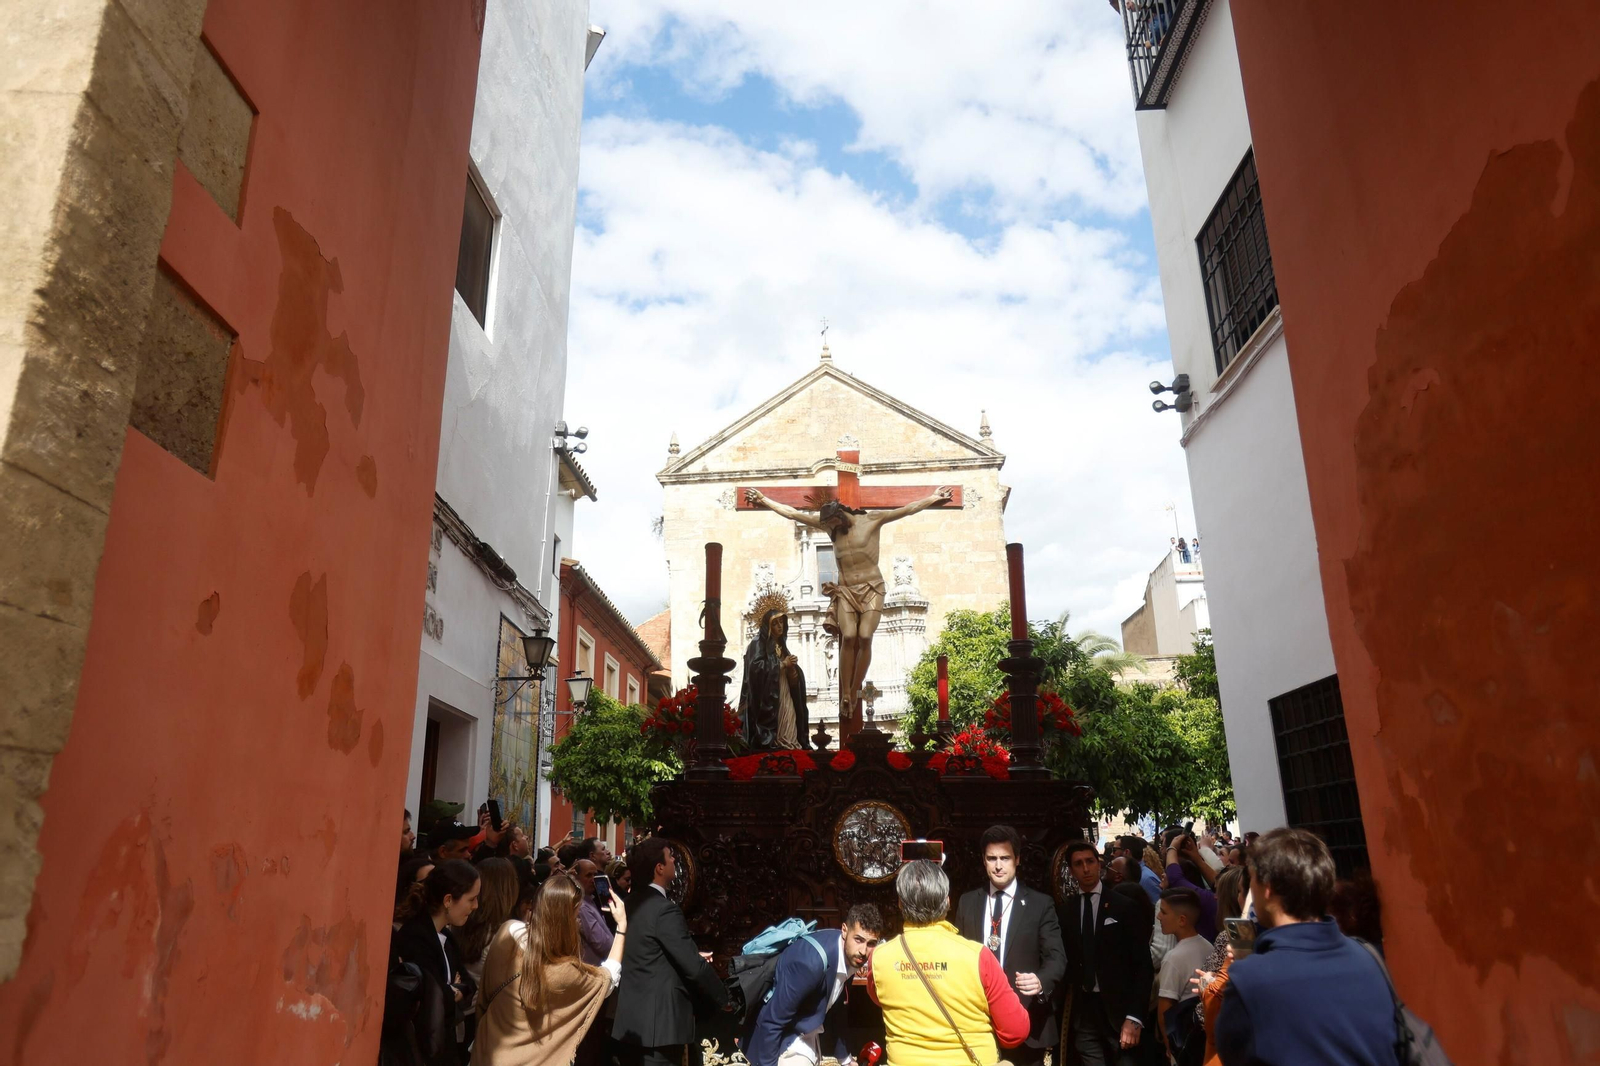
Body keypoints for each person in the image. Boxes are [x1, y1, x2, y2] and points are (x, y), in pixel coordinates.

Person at [745, 485, 952, 735]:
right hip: (845, 590)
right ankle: (845, 693)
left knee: (864, 636)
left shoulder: (872, 520)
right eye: (828, 526)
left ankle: (854, 690)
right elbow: (792, 514)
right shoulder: (829, 527)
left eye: (833, 524)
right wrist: (764, 499)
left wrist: (934, 497)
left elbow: (907, 509)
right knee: (849, 636)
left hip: (872, 588)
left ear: (841, 515)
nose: (830, 531)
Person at [1215, 829, 1402, 1066]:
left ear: (1267, 888)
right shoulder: (1368, 959)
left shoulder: (1249, 979)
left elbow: (1232, 1053)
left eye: (1252, 880)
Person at [868, 858, 1028, 1065]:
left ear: (900, 903)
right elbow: (1015, 1031)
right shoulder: (978, 956)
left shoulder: (879, 958)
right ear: (948, 901)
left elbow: (880, 998)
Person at [472, 872, 628, 1066]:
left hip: (487, 1054)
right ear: (565, 921)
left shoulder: (507, 932)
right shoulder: (565, 972)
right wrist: (622, 926)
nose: (579, 922)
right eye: (576, 915)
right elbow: (608, 979)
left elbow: (485, 996)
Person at [611, 837, 732, 1065]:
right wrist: (723, 998)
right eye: (670, 856)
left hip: (630, 1022)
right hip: (659, 1028)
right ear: (659, 868)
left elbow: (646, 950)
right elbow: (694, 968)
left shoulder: (627, 903)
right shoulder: (664, 910)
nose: (675, 860)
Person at [955, 825, 1066, 1066]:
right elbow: (957, 957)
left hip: (1026, 1020)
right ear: (983, 860)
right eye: (991, 858)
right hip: (977, 1022)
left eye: (1005, 858)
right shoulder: (968, 902)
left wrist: (1041, 981)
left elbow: (1056, 957)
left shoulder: (1040, 904)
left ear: (1017, 859)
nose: (998, 866)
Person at [745, 903, 886, 1066]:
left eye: (871, 943)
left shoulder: (849, 954)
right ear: (844, 930)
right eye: (859, 940)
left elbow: (838, 1006)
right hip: (783, 1042)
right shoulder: (811, 964)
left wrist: (845, 1059)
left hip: (807, 1034)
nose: (863, 951)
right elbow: (772, 1020)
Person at [1058, 840, 1153, 1066]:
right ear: (1071, 871)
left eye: (1090, 861)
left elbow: (1143, 965)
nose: (1086, 868)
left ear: (1099, 864)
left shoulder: (1124, 906)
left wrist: (1134, 1017)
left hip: (1120, 1011)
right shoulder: (1066, 910)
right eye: (1079, 864)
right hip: (1084, 1011)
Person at [387, 860, 482, 1066]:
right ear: (448, 900)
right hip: (421, 1053)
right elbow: (433, 999)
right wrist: (450, 991)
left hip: (442, 1050)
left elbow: (469, 985)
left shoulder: (446, 937)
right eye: (471, 899)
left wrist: (452, 990)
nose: (475, 906)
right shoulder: (416, 937)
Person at [1190, 865, 1247, 1062]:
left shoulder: (1235, 935)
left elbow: (1214, 1000)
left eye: (1218, 893)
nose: (1214, 897)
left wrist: (1209, 985)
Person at [739, 599, 811, 751]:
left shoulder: (782, 647)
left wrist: (793, 670)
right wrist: (782, 664)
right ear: (768, 626)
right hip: (768, 696)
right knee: (779, 720)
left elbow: (792, 677)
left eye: (781, 622)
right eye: (775, 623)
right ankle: (776, 742)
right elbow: (755, 669)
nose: (780, 626)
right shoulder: (757, 644)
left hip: (783, 690)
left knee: (790, 716)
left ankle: (789, 744)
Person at [1154, 888, 1210, 1063]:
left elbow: (1164, 1011)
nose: (1159, 917)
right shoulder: (1209, 946)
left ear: (1182, 920)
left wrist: (1169, 1049)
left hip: (1183, 1041)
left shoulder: (1173, 958)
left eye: (1164, 912)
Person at [1165, 836, 1219, 940]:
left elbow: (1174, 878)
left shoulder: (1211, 900)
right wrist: (1197, 858)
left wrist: (1172, 848)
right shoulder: (1228, 896)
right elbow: (1217, 883)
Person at [1116, 836, 1162, 905]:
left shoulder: (1146, 878)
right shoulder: (1137, 874)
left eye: (1114, 850)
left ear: (1126, 852)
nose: (1112, 854)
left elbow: (1159, 906)